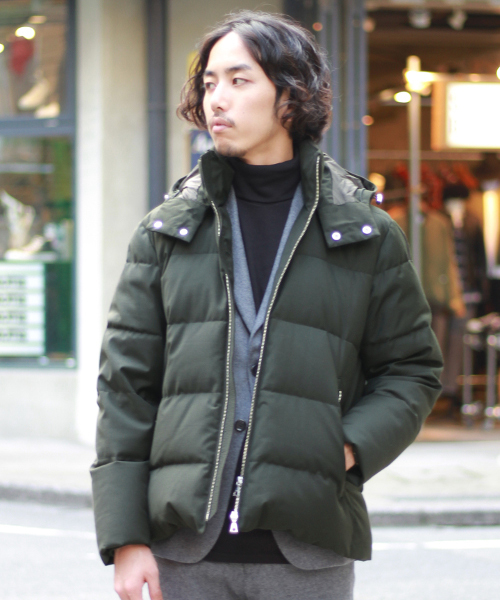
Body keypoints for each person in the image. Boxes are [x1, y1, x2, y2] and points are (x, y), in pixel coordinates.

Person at [91, 11, 443, 600]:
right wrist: (126, 538)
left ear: (290, 94)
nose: (216, 99)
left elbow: (411, 369)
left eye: (239, 80)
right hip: (183, 551)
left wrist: (346, 447)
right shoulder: (167, 231)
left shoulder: (365, 234)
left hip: (308, 549)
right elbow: (125, 388)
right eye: (209, 83)